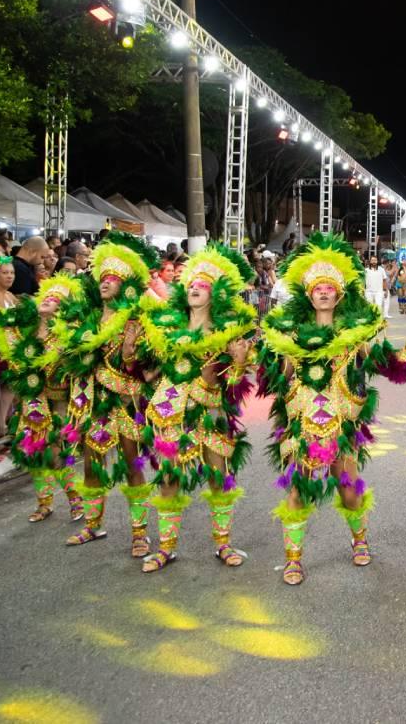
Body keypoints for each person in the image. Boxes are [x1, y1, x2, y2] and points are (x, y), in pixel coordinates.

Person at [259, 234, 406, 585]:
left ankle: (359, 539)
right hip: (302, 424)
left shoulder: (355, 334)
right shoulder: (292, 335)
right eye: (318, 287)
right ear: (308, 294)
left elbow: (384, 363)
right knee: (298, 490)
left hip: (342, 424)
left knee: (349, 487)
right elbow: (279, 376)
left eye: (331, 287)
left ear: (340, 294)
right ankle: (293, 559)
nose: (324, 292)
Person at [137, 244, 257, 573]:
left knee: (219, 478)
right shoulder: (168, 328)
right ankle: (166, 548)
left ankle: (223, 544)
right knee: (168, 478)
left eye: (202, 286)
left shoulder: (228, 333)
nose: (193, 288)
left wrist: (238, 360)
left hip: (212, 413)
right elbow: (149, 370)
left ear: (215, 293)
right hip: (170, 412)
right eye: (190, 284)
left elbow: (234, 384)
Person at [55, 232, 160, 555]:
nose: (105, 283)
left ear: (125, 287)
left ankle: (140, 533)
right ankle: (92, 524)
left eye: (113, 279)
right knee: (91, 466)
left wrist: (131, 348)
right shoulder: (87, 318)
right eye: (103, 278)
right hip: (95, 402)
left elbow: (150, 365)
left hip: (128, 402)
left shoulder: (135, 320)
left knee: (132, 465)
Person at [0, 276, 84, 522]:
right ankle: (44, 503)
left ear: (64, 308)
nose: (48, 299)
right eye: (46, 296)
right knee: (34, 452)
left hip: (56, 401)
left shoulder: (68, 335)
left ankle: (75, 500)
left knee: (56, 452)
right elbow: (2, 364)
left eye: (55, 298)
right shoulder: (22, 332)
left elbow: (74, 368)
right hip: (30, 402)